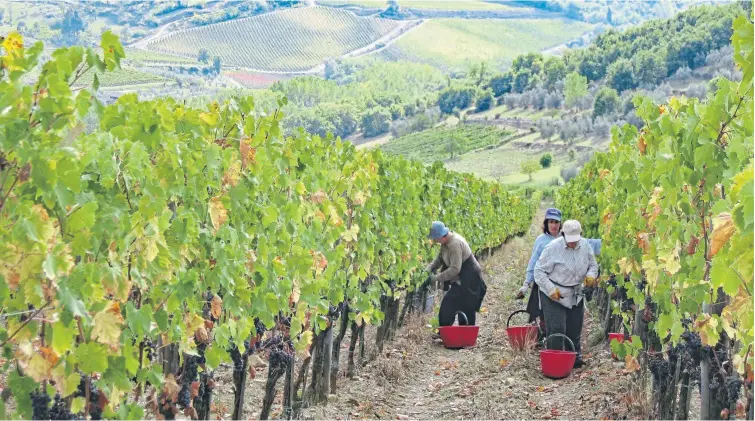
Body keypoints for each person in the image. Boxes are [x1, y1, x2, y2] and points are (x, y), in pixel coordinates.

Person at [516, 208, 601, 334]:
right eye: (551, 222)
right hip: (550, 285)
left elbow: (596, 252)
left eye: (556, 222)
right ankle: (546, 340)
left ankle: (570, 350)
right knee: (553, 324)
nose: (553, 225)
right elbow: (535, 265)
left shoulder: (582, 244)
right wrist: (527, 284)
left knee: (572, 328)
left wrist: (591, 276)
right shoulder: (544, 242)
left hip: (574, 292)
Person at [534, 220, 599, 369]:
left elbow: (593, 265)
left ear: (581, 235)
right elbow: (539, 271)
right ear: (563, 235)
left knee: (575, 327)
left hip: (576, 291)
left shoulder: (585, 246)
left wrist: (590, 275)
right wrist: (551, 289)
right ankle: (554, 362)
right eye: (570, 241)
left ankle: (574, 358)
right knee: (557, 328)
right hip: (554, 293)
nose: (573, 244)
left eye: (575, 240)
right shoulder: (552, 248)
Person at [425, 221, 487, 326]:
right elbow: (439, 259)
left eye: (435, 239)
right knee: (452, 305)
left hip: (470, 278)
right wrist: (427, 270)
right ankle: (448, 333)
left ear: (441, 236)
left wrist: (436, 278)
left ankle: (465, 336)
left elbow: (455, 269)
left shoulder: (454, 244)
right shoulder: (445, 243)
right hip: (462, 278)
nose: (435, 241)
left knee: (462, 306)